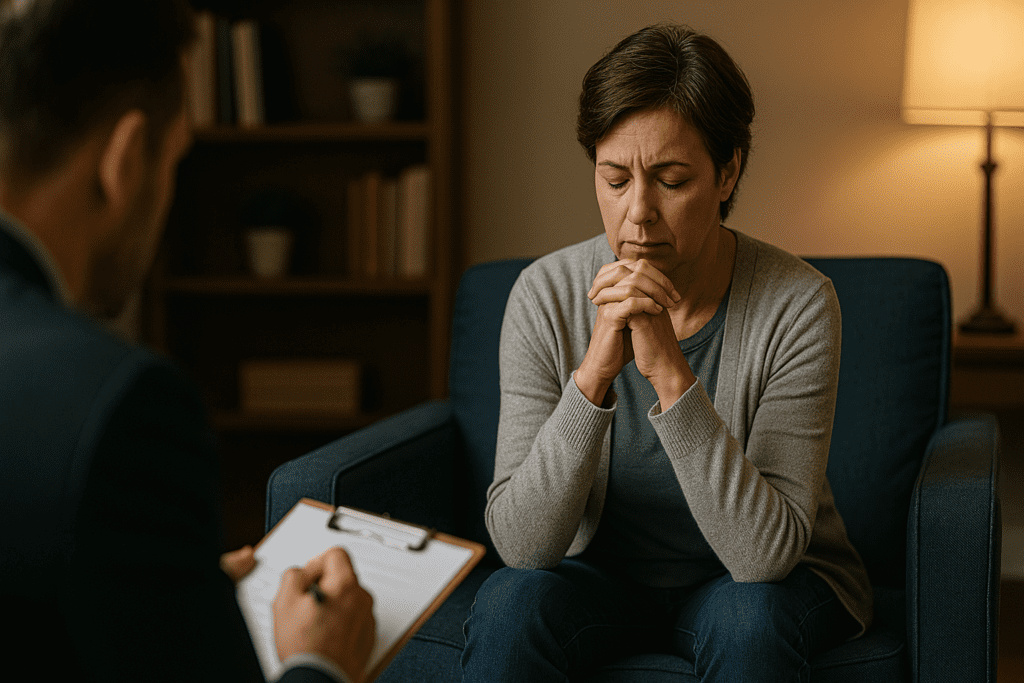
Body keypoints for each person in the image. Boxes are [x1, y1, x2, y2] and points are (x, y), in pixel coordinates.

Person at [460, 23, 873, 682]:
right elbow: (522, 544)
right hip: (604, 579)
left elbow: (763, 557)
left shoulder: (798, 303)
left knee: (748, 620)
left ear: (727, 171)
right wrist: (594, 373)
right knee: (510, 606)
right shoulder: (544, 294)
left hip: (757, 581)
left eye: (671, 180)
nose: (638, 212)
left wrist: (670, 372)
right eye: (614, 179)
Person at [0, 2, 374, 681]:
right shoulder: (120, 405)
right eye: (175, 162)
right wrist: (319, 661)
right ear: (125, 158)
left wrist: (171, 587)